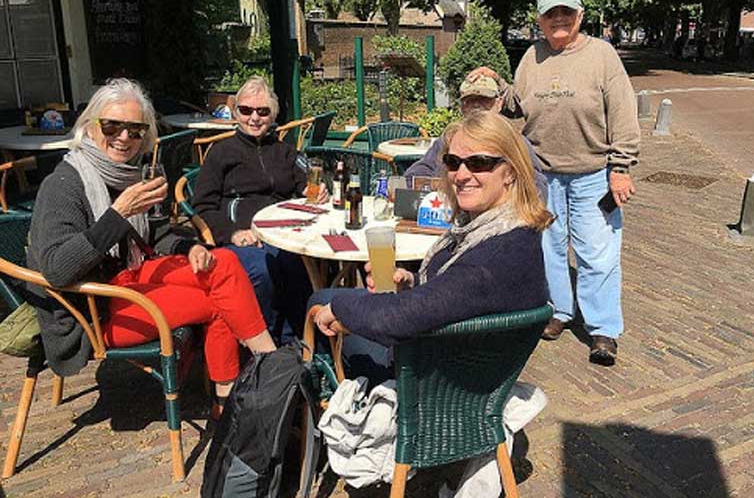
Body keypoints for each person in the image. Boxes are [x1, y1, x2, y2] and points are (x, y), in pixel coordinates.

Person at [311, 111, 552, 496]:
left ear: (511, 171)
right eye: (453, 162)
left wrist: (339, 308)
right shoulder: (505, 230)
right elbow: (456, 297)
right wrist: (414, 283)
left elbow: (399, 319)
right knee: (343, 304)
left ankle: (344, 429)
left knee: (321, 303)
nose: (461, 173)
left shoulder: (494, 256)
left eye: (480, 162)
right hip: (467, 366)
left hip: (437, 387)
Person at [26, 78, 276, 402]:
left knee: (223, 260)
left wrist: (192, 248)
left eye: (135, 129)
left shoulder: (129, 173)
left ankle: (267, 367)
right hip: (94, 307)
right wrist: (118, 214)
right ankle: (240, 393)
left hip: (132, 277)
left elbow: (156, 233)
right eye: (112, 126)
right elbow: (58, 270)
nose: (124, 137)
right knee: (220, 303)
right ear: (90, 126)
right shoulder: (64, 184)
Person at [469, 0, 640, 366]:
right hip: (542, 173)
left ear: (580, 14)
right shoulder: (532, 56)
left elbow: (624, 113)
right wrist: (495, 84)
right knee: (548, 249)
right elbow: (518, 104)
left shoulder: (602, 56)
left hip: (592, 172)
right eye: (551, 13)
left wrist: (621, 166)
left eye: (566, 11)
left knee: (597, 253)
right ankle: (559, 311)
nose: (558, 19)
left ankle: (602, 329)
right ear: (540, 18)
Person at [192, 76, 323, 342]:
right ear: (236, 112)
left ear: (272, 115)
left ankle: (303, 341)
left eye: (262, 111)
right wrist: (232, 233)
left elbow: (305, 183)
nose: (254, 118)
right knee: (263, 270)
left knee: (304, 264)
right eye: (246, 110)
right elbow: (203, 206)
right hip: (242, 237)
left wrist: (317, 192)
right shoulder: (221, 152)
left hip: (284, 233)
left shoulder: (284, 151)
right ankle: (262, 343)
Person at [404, 74, 548, 201]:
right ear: (462, 107)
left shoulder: (514, 141)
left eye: (484, 100)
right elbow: (418, 172)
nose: (477, 106)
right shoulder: (450, 139)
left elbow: (537, 187)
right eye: (470, 101)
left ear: (499, 103)